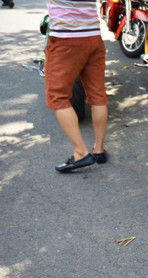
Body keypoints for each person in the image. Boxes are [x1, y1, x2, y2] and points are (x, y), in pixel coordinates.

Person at [45, 0, 108, 172]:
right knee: (98, 95)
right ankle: (99, 149)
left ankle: (80, 152)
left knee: (57, 97)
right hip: (93, 37)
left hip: (65, 39)